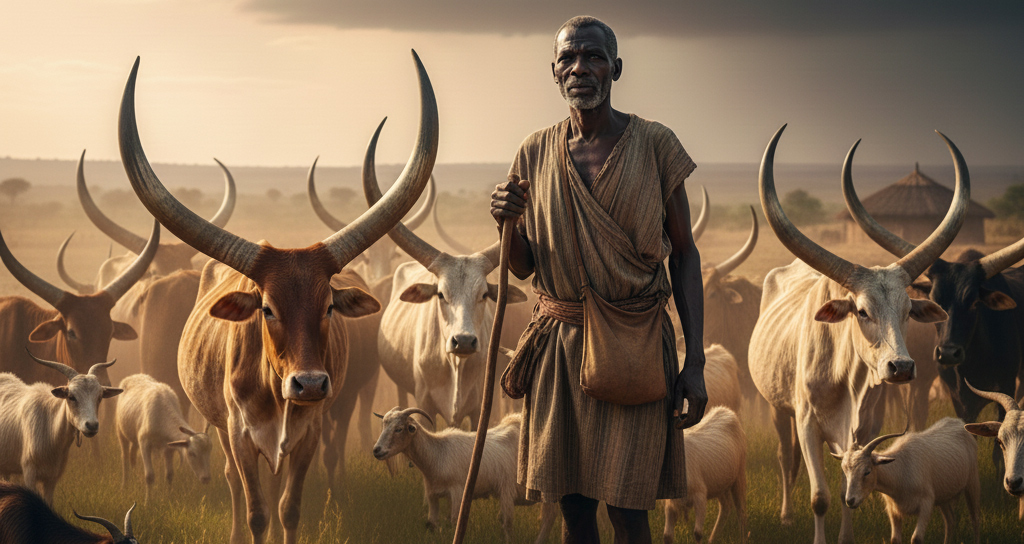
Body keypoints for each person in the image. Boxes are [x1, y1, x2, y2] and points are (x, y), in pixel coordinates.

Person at [490, 15, 708, 544]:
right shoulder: (534, 152)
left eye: (593, 56)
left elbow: (684, 255)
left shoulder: (655, 145)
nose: (580, 68)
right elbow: (523, 267)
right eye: (568, 58)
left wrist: (695, 362)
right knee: (575, 510)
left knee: (629, 510)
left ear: (616, 68)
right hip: (560, 350)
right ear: (554, 71)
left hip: (634, 345)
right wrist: (507, 222)